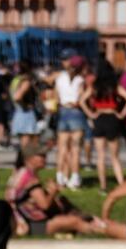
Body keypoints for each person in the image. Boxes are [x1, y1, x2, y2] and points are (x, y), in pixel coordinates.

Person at [84, 62, 126, 192]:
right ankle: (122, 184)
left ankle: (103, 186)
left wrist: (91, 114)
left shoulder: (95, 86)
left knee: (100, 156)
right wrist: (121, 114)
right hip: (112, 118)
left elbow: (82, 100)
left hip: (99, 118)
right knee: (115, 156)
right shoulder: (114, 86)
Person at [54, 55, 89, 188]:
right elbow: (81, 97)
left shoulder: (60, 78)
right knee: (75, 148)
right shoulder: (80, 80)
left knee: (62, 148)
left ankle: (60, 176)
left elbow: (56, 97)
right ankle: (74, 178)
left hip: (63, 112)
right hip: (76, 112)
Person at [8, 59, 42, 159]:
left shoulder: (16, 80)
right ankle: (25, 162)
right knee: (28, 142)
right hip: (25, 112)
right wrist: (25, 105)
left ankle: (23, 162)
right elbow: (17, 96)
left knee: (25, 141)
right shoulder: (26, 81)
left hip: (18, 111)